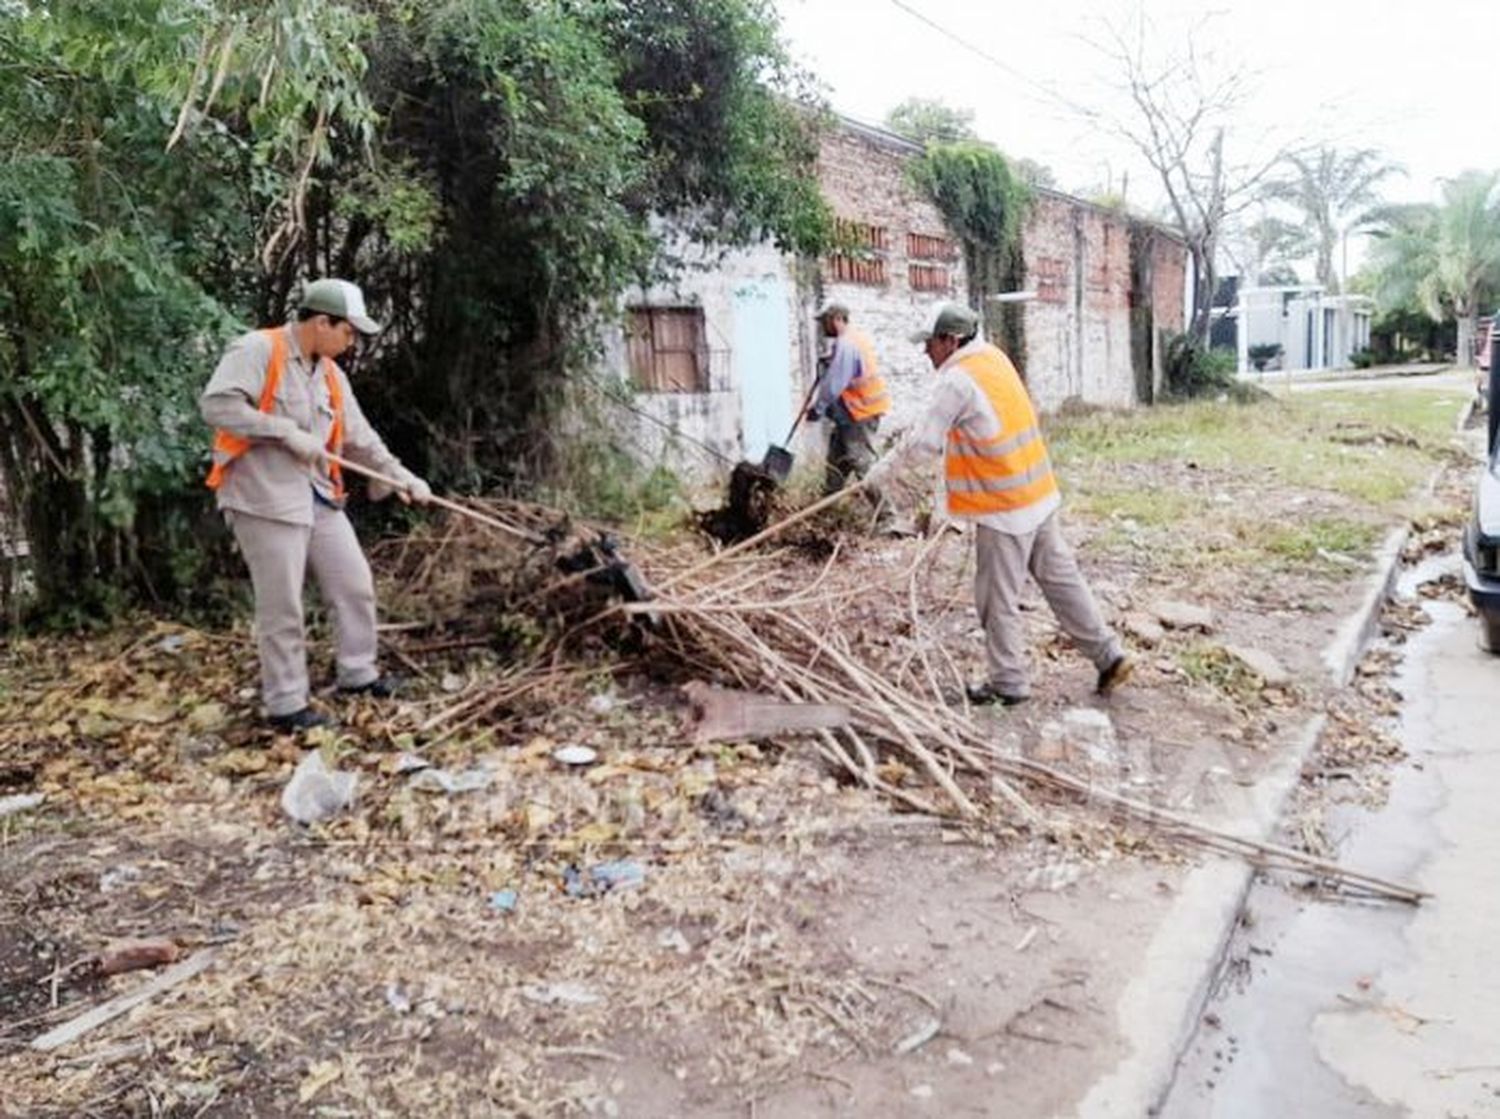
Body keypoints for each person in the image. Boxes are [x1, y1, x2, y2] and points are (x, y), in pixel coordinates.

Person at [870, 302, 1131, 706]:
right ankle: (1108, 655)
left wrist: (879, 474)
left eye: (930, 344)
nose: (926, 353)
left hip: (1005, 506)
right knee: (1062, 580)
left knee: (996, 598)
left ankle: (1008, 681)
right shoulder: (993, 358)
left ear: (950, 340)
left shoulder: (956, 380)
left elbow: (923, 442)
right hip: (1038, 494)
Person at [200, 278, 432, 731]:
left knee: (354, 583)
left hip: (318, 495)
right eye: (348, 331)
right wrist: (283, 431)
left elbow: (359, 437)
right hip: (263, 497)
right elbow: (217, 406)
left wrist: (403, 476)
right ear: (322, 322)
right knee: (282, 603)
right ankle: (286, 704)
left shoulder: (329, 373)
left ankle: (358, 673)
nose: (352, 341)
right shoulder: (257, 350)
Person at [809, 302, 893, 527]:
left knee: (863, 465)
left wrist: (818, 408)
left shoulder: (847, 344)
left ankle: (888, 517)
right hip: (848, 416)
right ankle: (824, 515)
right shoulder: (851, 340)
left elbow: (835, 382)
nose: (822, 326)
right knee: (835, 465)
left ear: (836, 318)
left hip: (860, 414)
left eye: (824, 321)